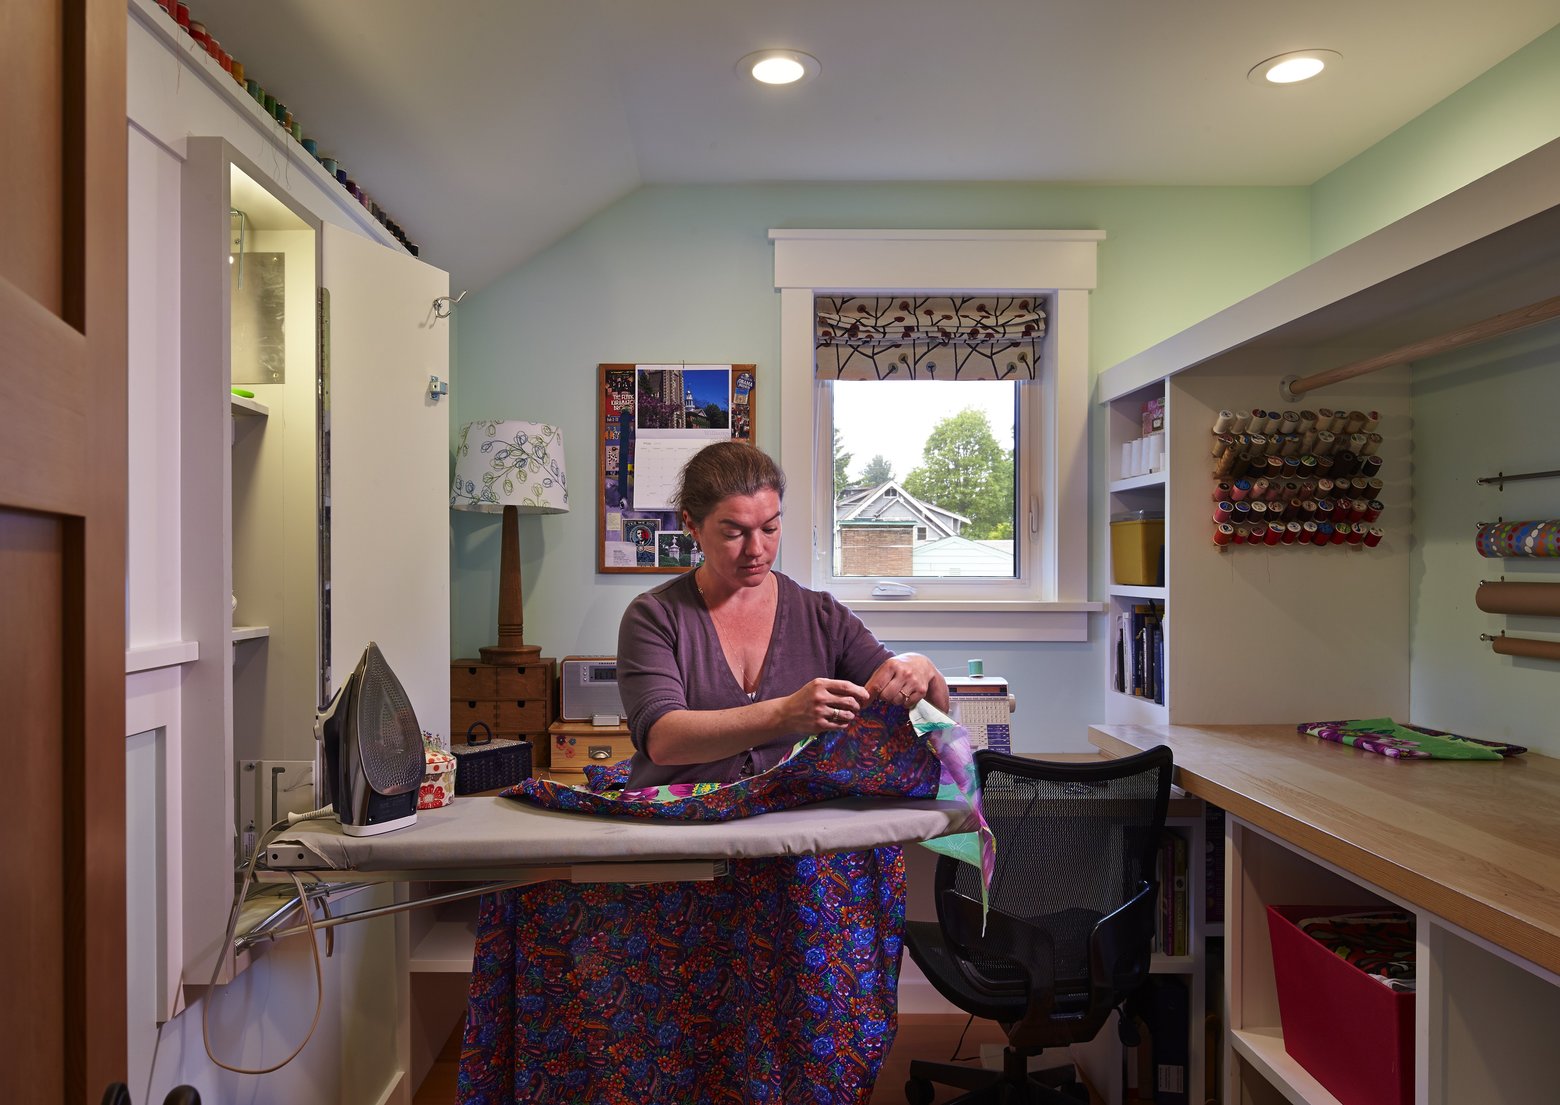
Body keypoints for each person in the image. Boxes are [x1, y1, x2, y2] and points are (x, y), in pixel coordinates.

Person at [618, 440, 947, 789]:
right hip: (681, 828)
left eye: (770, 528)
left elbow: (921, 712)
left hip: (792, 830)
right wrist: (785, 713)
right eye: (734, 532)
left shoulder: (823, 617)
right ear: (692, 525)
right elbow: (663, 740)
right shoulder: (654, 617)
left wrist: (922, 669)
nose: (756, 549)